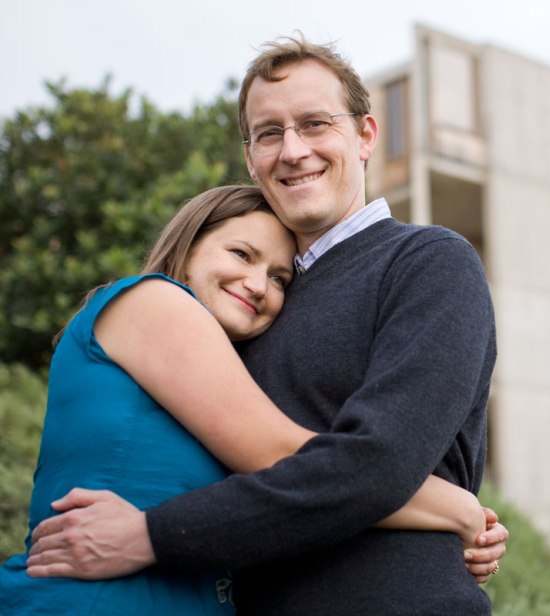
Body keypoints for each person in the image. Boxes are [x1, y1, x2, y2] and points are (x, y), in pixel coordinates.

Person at [27, 33, 502, 615]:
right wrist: (455, 508)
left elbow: (376, 464)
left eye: (315, 123)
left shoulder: (429, 261)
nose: (293, 149)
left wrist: (152, 534)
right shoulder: (242, 316)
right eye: (269, 133)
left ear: (365, 136)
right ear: (251, 158)